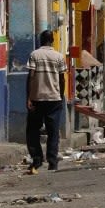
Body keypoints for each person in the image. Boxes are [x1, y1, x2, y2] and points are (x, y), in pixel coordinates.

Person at [26, 29, 66, 174]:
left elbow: (30, 77)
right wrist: (60, 96)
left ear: (40, 40)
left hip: (37, 98)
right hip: (54, 99)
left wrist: (28, 97)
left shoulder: (34, 55)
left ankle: (37, 160)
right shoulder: (59, 56)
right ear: (53, 40)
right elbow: (62, 79)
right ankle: (52, 162)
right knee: (53, 131)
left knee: (32, 131)